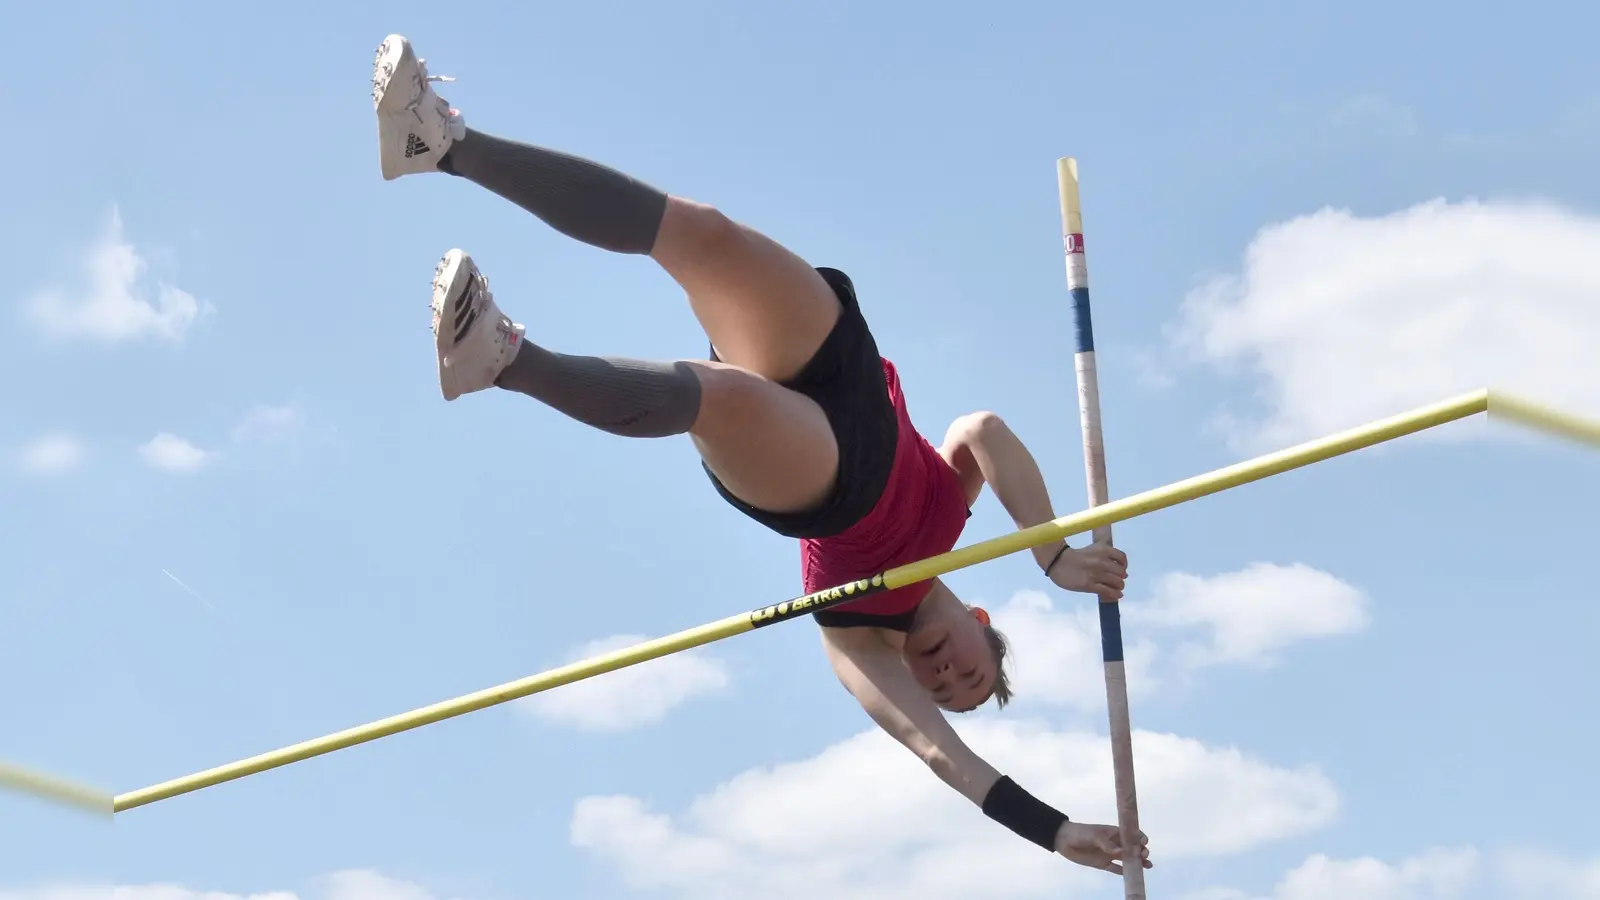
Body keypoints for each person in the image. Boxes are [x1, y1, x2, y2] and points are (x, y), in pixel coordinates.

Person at [371, 34, 1152, 876]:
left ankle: (507, 362)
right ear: (981, 624)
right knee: (700, 233)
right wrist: (1054, 555)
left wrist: (1053, 830)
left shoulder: (857, 636)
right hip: (847, 369)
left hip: (823, 481)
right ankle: (442, 144)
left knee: (726, 395)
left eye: (943, 691)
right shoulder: (950, 514)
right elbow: (984, 431)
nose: (946, 679)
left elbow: (943, 756)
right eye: (969, 673)